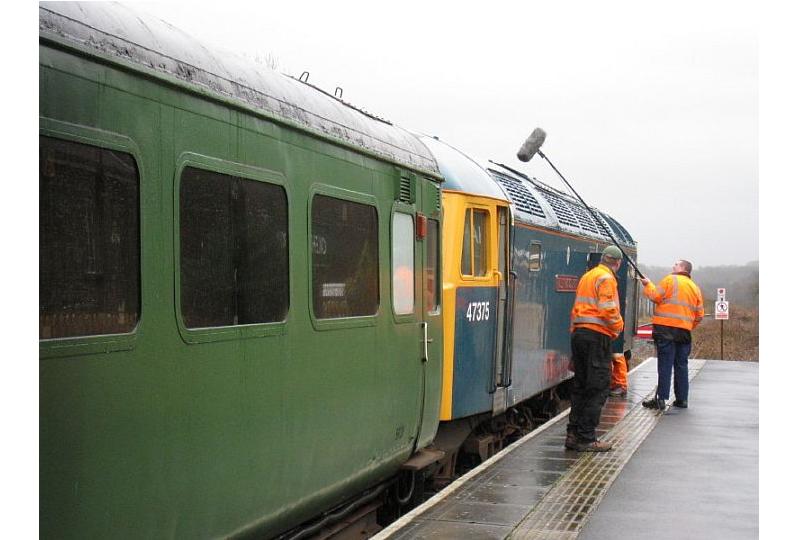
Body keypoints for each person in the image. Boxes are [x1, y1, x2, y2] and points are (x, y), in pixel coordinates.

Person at [566, 245, 625, 452]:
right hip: (597, 337)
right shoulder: (607, 279)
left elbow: (576, 308)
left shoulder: (588, 276)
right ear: (617, 263)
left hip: (580, 334)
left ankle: (572, 435)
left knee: (580, 387)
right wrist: (619, 327)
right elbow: (607, 308)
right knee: (598, 387)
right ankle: (586, 438)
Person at [640, 260, 704, 411]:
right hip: (684, 332)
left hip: (665, 330)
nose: (673, 266)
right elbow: (699, 314)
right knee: (681, 365)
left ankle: (661, 399)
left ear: (683, 268)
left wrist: (647, 284)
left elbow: (655, 296)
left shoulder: (670, 280)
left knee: (665, 365)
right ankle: (682, 399)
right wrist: (688, 325)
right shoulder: (695, 288)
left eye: (676, 264)